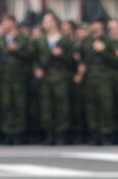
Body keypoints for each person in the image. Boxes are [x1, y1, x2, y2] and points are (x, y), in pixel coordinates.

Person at [34, 12, 77, 145]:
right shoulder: (40, 40)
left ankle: (61, 134)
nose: (44, 23)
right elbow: (35, 58)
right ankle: (49, 134)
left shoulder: (64, 40)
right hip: (46, 78)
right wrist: (37, 69)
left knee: (61, 106)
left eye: (47, 20)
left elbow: (72, 62)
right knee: (46, 106)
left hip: (60, 77)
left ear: (54, 22)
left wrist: (61, 55)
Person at [0, 14, 32, 145]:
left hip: (19, 77)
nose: (2, 24)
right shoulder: (0, 40)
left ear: (12, 23)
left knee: (19, 105)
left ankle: (19, 133)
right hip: (4, 78)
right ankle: (7, 132)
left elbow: (30, 55)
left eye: (5, 22)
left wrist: (17, 49)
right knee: (6, 105)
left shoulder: (23, 39)